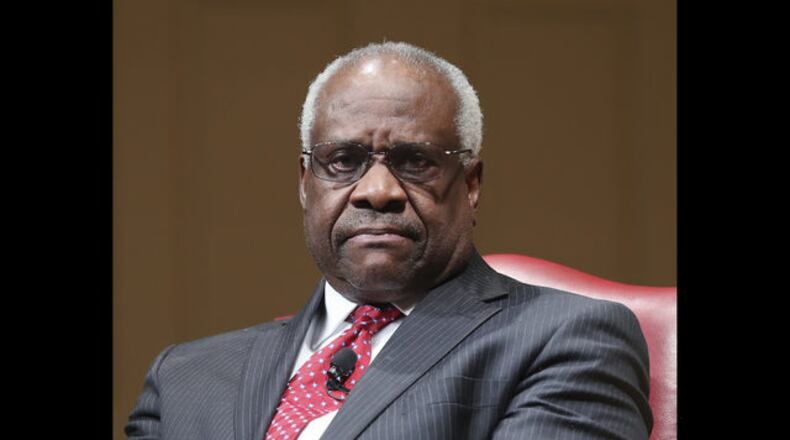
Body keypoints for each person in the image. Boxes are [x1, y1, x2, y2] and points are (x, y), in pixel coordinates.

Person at [125, 41, 653, 440]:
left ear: (470, 185)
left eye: (415, 162)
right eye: (343, 162)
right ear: (305, 184)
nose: (377, 192)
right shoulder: (185, 377)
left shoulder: (568, 340)